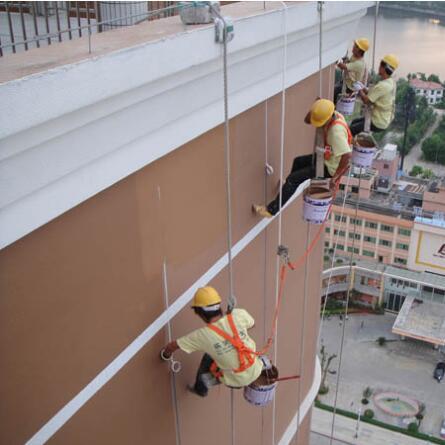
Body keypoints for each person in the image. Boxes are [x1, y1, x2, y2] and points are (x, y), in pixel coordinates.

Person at [253, 99, 352, 218]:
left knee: (293, 179)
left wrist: (335, 178)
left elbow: (347, 157)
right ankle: (288, 187)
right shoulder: (335, 115)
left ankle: (271, 210)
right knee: (298, 161)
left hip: (330, 167)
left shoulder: (336, 133)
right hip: (327, 157)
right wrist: (315, 111)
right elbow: (307, 120)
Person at [160, 286, 264, 397]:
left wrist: (165, 354)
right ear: (219, 305)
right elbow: (252, 325)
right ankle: (217, 377)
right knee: (226, 353)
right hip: (256, 368)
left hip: (235, 381)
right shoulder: (238, 315)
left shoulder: (203, 336)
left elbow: (173, 346)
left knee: (209, 355)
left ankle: (203, 386)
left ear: (199, 313)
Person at [349, 54, 399, 136]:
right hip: (384, 119)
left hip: (378, 121)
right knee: (355, 122)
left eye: (380, 66)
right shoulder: (391, 82)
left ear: (384, 68)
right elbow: (375, 93)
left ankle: (347, 146)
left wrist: (359, 89)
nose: (378, 68)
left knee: (351, 130)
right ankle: (352, 141)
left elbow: (366, 101)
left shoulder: (383, 85)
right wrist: (363, 87)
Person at [334, 38, 369, 103]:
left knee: (333, 92)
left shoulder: (359, 64)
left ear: (359, 50)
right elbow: (348, 62)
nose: (353, 47)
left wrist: (334, 58)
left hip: (350, 88)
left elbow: (343, 66)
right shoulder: (355, 56)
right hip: (347, 82)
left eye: (355, 46)